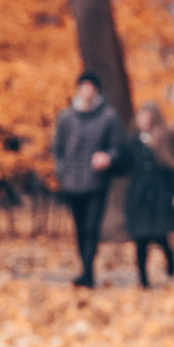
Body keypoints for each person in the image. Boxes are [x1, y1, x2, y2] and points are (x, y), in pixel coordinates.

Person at [51, 73, 122, 287]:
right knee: (80, 228)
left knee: (92, 228)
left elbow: (118, 148)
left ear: (97, 90)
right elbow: (58, 149)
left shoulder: (108, 117)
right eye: (83, 86)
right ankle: (84, 268)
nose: (87, 90)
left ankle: (88, 273)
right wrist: (62, 173)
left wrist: (108, 157)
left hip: (96, 183)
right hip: (72, 183)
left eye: (91, 86)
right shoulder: (66, 118)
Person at [119, 104, 174, 288]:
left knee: (160, 236)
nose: (143, 121)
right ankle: (143, 280)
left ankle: (170, 261)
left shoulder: (165, 138)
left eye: (147, 118)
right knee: (140, 240)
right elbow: (124, 165)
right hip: (139, 197)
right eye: (141, 117)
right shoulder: (133, 141)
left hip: (160, 196)